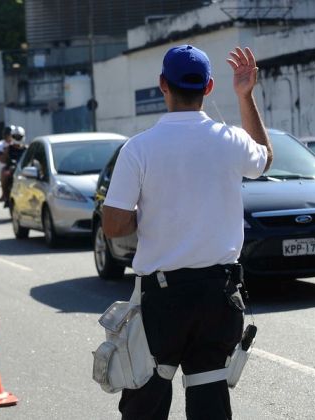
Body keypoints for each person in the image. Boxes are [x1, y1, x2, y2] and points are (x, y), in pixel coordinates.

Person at [102, 45, 273, 419]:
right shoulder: (231, 141)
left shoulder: (138, 149)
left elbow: (114, 225)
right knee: (209, 400)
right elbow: (264, 155)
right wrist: (246, 95)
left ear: (163, 84)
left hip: (163, 298)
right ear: (209, 87)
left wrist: (146, 217)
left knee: (145, 401)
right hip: (220, 294)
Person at [0, 125, 27, 207]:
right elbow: (3, 158)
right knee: (4, 173)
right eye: (15, 136)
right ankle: (5, 194)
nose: (17, 138)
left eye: (19, 137)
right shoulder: (8, 148)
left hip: (22, 170)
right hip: (11, 168)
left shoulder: (26, 149)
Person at [0, 125, 14, 198]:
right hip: (6, 165)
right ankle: (4, 193)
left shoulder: (16, 142)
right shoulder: (0, 144)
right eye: (9, 135)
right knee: (4, 173)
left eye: (12, 135)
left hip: (17, 165)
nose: (11, 137)